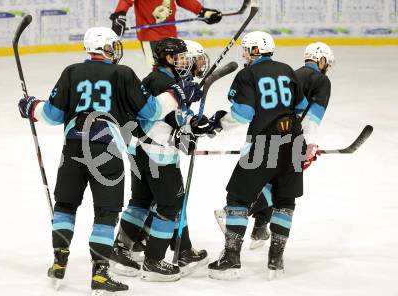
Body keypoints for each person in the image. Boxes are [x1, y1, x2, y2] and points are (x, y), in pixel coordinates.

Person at [17, 27, 200, 294]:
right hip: (106, 149)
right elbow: (150, 110)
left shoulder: (71, 72)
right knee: (106, 213)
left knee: (65, 205)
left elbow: (52, 115)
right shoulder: (122, 73)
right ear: (106, 48)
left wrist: (30, 106)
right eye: (113, 46)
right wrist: (177, 94)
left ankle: (59, 261)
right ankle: (100, 275)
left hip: (73, 148)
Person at [205, 31, 308, 280]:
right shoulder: (286, 69)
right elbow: (302, 106)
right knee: (285, 200)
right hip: (294, 142)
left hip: (263, 143)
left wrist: (218, 123)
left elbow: (242, 114)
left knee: (238, 198)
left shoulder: (247, 74)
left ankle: (231, 259)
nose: (244, 55)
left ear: (253, 51)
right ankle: (276, 260)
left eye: (246, 50)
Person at [112, 37, 209, 282]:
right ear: (168, 59)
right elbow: (158, 118)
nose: (185, 61)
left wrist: (193, 125)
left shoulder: (162, 80)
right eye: (181, 57)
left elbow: (170, 119)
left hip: (144, 151)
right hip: (157, 154)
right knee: (170, 206)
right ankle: (154, 260)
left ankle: (121, 248)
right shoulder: (162, 81)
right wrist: (185, 127)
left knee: (142, 201)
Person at [244, 41, 335, 250]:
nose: (326, 67)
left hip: (270, 132)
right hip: (293, 137)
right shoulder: (321, 81)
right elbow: (312, 117)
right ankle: (237, 211)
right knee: (282, 186)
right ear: (321, 60)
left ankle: (259, 227)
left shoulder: (291, 74)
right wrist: (309, 146)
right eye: (326, 63)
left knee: (269, 177)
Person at [109, 0, 222, 67]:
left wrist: (201, 11)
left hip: (170, 33)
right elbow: (126, 1)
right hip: (149, 36)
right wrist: (120, 13)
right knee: (158, 71)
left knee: (176, 67)